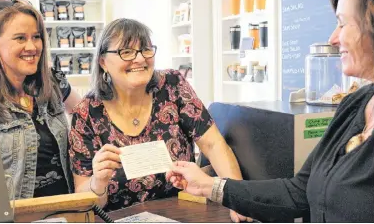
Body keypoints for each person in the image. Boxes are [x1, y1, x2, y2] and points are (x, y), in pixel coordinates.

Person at [166, 0, 374, 223]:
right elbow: (298, 193)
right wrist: (209, 186)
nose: (333, 38)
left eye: (342, 23)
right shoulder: (356, 104)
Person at [68, 18, 248, 222]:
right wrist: (97, 182)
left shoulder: (172, 86)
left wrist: (239, 199)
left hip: (182, 214)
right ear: (103, 62)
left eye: (145, 49)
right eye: (126, 51)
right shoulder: (86, 112)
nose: (139, 59)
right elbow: (83, 197)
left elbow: (213, 143)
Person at [0, 0, 81, 199]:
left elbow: (86, 115)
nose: (32, 47)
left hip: (66, 212)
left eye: (36, 37)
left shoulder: (54, 83)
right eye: (20, 38)